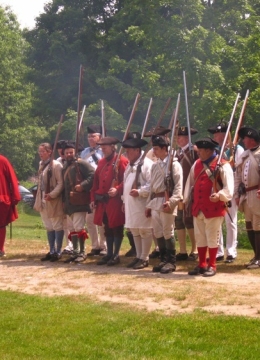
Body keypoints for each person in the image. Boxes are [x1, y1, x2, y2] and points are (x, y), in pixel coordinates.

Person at [185, 137, 234, 277]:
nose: (198, 153)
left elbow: (229, 188)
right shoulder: (197, 164)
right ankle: (201, 264)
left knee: (213, 237)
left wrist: (219, 195)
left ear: (208, 150)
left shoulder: (223, 165)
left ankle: (212, 265)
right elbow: (190, 183)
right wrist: (185, 199)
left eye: (200, 150)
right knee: (200, 237)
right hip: (198, 207)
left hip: (214, 208)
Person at [145, 135, 183, 274]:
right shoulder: (155, 165)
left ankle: (171, 262)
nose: (153, 151)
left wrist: (172, 202)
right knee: (158, 232)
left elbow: (178, 187)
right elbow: (152, 188)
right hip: (155, 202)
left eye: (156, 148)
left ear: (163, 148)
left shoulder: (174, 165)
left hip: (167, 201)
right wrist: (148, 205)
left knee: (168, 232)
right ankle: (163, 259)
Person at [208, 121, 244, 263]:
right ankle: (218, 251)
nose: (216, 136)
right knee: (218, 221)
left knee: (230, 221)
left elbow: (239, 170)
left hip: (231, 188)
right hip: (217, 188)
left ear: (225, 135)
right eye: (216, 134)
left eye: (219, 134)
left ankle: (231, 251)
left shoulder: (237, 149)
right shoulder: (216, 150)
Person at [90, 136, 128, 266]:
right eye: (102, 147)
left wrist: (117, 189)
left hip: (115, 201)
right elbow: (96, 182)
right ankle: (109, 254)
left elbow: (126, 180)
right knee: (107, 228)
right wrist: (93, 198)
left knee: (116, 227)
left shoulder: (122, 161)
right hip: (103, 201)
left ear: (112, 147)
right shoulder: (101, 162)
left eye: (105, 147)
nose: (103, 149)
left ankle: (116, 255)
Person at [122, 132, 153, 269]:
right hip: (130, 203)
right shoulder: (129, 165)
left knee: (144, 230)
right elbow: (125, 184)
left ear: (137, 150)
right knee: (135, 230)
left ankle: (144, 257)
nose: (127, 153)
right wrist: (124, 201)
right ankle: (138, 256)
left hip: (142, 202)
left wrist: (140, 192)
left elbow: (151, 185)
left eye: (129, 151)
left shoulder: (147, 164)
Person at [62, 142, 94, 263]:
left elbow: (93, 175)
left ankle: (82, 252)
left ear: (75, 153)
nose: (69, 154)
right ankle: (75, 252)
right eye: (67, 153)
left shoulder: (82, 163)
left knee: (79, 226)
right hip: (69, 202)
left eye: (71, 152)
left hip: (79, 200)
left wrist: (83, 185)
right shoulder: (65, 166)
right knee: (72, 228)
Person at [234, 126, 260, 269]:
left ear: (252, 139)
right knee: (249, 225)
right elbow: (238, 176)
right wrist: (237, 194)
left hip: (256, 194)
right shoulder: (244, 155)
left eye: (245, 138)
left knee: (258, 226)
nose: (243, 140)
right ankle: (256, 255)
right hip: (246, 195)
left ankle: (259, 258)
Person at [34, 143, 64, 261]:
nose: (41, 154)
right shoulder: (41, 164)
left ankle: (58, 251)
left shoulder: (56, 165)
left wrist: (52, 195)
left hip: (53, 200)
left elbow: (60, 183)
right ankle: (51, 250)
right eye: (40, 152)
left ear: (49, 152)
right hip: (42, 199)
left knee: (57, 225)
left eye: (43, 151)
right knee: (49, 226)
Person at [80, 125, 107, 256]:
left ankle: (104, 245)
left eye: (93, 136)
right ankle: (95, 245)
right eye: (89, 136)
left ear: (100, 137)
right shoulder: (84, 152)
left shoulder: (104, 151)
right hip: (88, 189)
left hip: (101, 188)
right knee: (89, 219)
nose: (91, 138)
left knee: (101, 219)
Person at [175, 126, 199, 261]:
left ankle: (194, 249)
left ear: (187, 138)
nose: (178, 139)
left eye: (181, 137)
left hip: (189, 190)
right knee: (179, 221)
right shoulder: (177, 153)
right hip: (178, 190)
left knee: (189, 220)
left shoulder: (194, 151)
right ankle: (182, 250)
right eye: (178, 137)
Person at [0, 154, 21, 256]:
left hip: (1, 198)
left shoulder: (2, 160)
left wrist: (16, 196)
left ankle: (0, 248)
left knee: (1, 225)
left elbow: (12, 179)